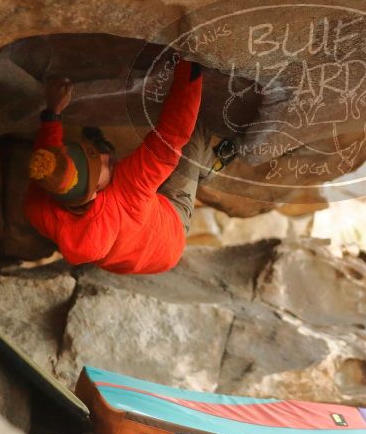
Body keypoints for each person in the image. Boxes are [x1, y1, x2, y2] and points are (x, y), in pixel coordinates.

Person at [24, 59, 233, 274]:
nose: (104, 158)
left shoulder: (38, 207)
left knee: (123, 171)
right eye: (99, 162)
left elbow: (50, 164)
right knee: (194, 131)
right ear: (96, 191)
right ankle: (208, 168)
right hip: (170, 235)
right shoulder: (127, 191)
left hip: (128, 253)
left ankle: (102, 149)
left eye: (95, 155)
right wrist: (189, 64)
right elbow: (173, 134)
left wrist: (53, 112)